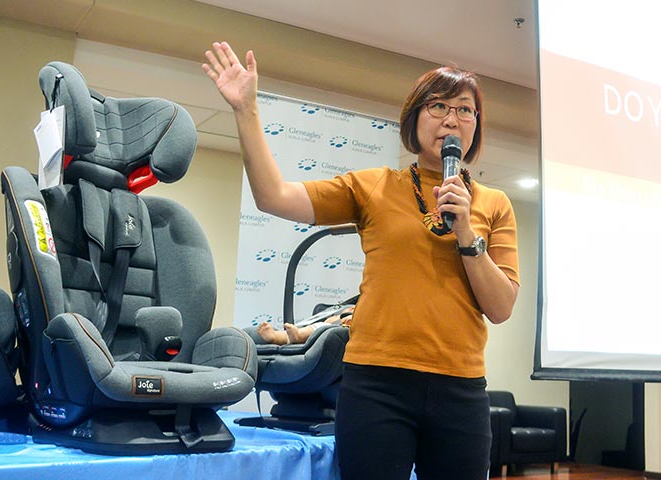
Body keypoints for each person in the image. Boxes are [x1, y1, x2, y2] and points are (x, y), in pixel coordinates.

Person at [203, 41, 520, 480]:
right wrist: (246, 109)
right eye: (439, 106)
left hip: (461, 389)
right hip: (377, 384)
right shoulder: (373, 186)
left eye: (465, 110)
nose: (452, 118)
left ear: (476, 125)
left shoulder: (495, 204)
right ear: (414, 118)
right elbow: (273, 196)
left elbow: (501, 307)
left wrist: (466, 232)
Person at [257, 306, 355, 345]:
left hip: (334, 333)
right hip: (323, 329)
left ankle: (297, 336)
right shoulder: (341, 314)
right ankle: (274, 337)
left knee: (319, 328)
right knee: (290, 335)